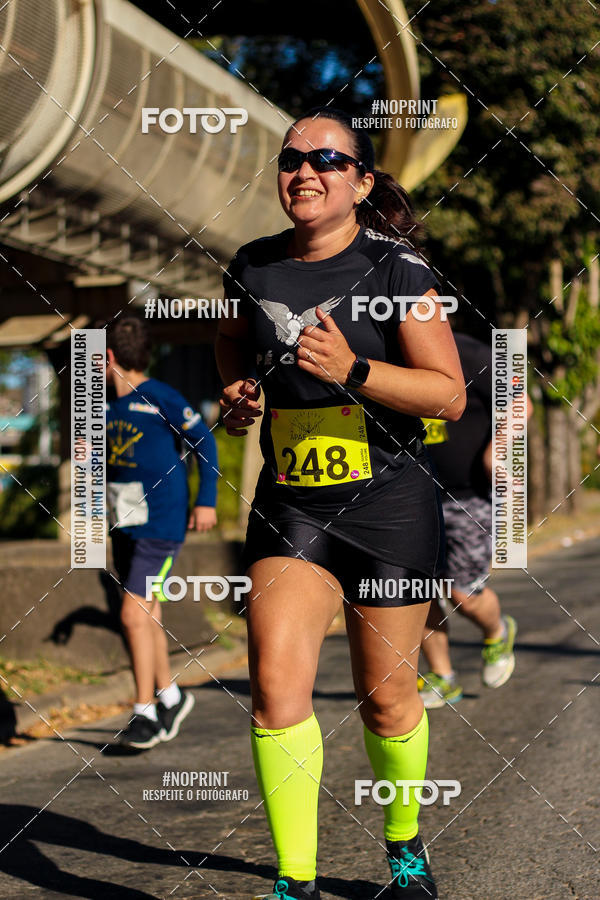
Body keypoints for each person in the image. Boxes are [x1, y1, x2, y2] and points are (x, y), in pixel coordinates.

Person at [216, 107, 465, 900]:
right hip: (292, 503)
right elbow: (231, 344)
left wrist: (354, 371)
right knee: (275, 688)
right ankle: (296, 881)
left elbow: (448, 395)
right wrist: (239, 391)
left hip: (390, 503)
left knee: (387, 697)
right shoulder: (250, 267)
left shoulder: (399, 271)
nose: (304, 171)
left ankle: (403, 847)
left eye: (326, 159)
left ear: (359, 182)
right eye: (291, 158)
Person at [105, 316, 218, 750]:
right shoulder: (105, 407)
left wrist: (206, 500)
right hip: (125, 524)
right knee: (147, 612)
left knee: (133, 614)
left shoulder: (158, 396)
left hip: (161, 525)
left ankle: (143, 713)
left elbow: (204, 441)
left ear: (108, 358)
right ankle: (170, 695)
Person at [418, 332, 529, 708]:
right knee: (416, 594)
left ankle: (497, 631)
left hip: (469, 496)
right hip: (410, 498)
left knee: (462, 594)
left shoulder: (470, 352)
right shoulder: (381, 353)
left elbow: (521, 402)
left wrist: (498, 449)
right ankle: (442, 676)